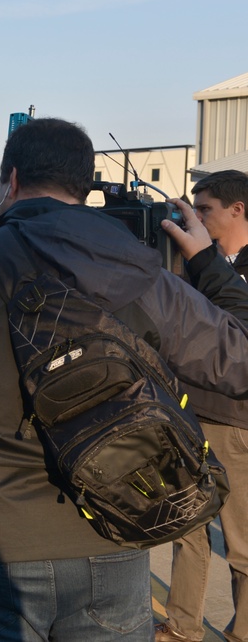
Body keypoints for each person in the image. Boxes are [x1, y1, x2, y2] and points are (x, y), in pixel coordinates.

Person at [0, 117, 248, 641]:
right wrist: (210, 265)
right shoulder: (143, 274)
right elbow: (238, 359)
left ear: (9, 181)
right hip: (115, 528)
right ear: (85, 185)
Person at [157, 169, 248, 642]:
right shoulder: (188, 264)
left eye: (205, 209)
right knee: (186, 529)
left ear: (238, 209)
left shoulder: (229, 269)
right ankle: (181, 627)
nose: (195, 218)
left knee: (241, 543)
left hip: (236, 421)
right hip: (188, 413)